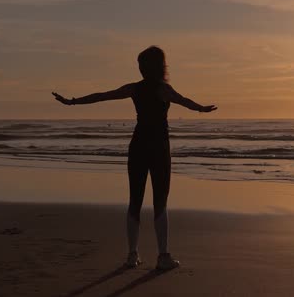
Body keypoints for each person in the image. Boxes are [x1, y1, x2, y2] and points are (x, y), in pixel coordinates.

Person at [52, 46, 217, 270]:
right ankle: (163, 257)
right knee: (160, 201)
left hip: (138, 146)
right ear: (162, 66)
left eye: (140, 64)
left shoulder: (134, 89)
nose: (139, 68)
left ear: (144, 67)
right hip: (159, 148)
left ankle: (132, 255)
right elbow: (184, 101)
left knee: (135, 201)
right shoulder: (163, 89)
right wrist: (202, 109)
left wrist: (72, 102)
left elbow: (102, 96)